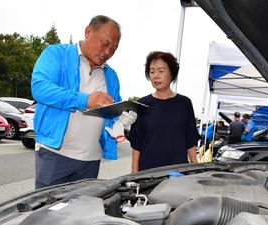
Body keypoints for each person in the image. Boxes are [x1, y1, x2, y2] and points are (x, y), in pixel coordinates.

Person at [31, 15, 137, 189]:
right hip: (55, 154)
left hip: (91, 160)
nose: (108, 52)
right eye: (105, 43)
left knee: (81, 214)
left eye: (114, 48)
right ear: (88, 32)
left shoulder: (111, 75)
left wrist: (122, 119)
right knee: (48, 212)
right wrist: (85, 99)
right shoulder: (57, 54)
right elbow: (40, 88)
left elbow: (112, 110)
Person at [129, 51, 200, 173]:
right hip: (148, 172)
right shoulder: (142, 104)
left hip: (177, 172)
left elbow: (190, 140)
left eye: (161, 71)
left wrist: (195, 168)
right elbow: (137, 143)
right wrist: (134, 173)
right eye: (152, 72)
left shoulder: (185, 103)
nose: (155, 76)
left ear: (172, 73)